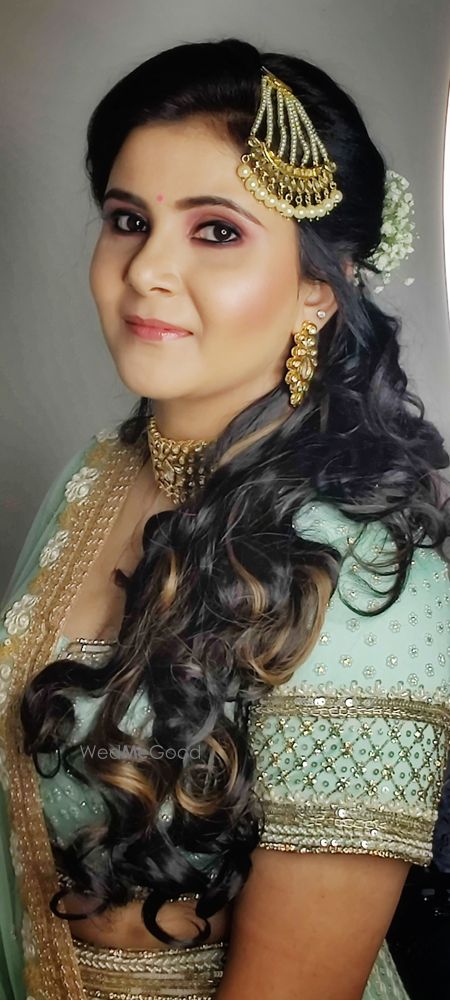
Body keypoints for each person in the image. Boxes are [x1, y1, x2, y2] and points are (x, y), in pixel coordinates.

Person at [0, 36, 449, 1000]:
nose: (147, 270)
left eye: (215, 231)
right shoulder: (99, 473)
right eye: (128, 220)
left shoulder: (367, 577)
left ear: (320, 285)